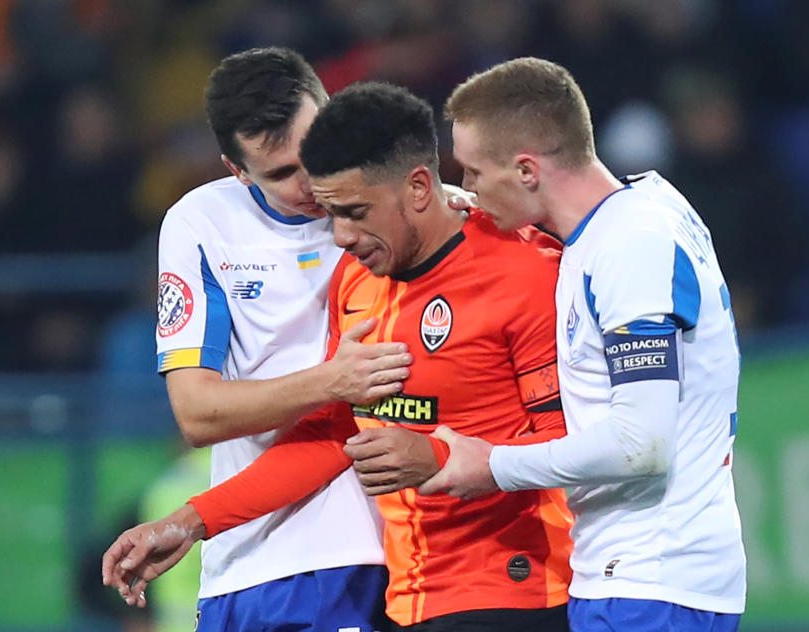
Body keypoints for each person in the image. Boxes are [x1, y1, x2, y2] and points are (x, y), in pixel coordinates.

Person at [103, 81, 575, 632]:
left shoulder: (528, 271)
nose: (342, 237)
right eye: (332, 215)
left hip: (518, 593)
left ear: (420, 187)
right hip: (408, 601)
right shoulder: (357, 281)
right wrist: (191, 520)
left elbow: (579, 442)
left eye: (354, 212)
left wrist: (446, 462)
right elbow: (333, 437)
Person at [418, 57, 747, 631]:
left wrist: (493, 465)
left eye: (472, 172)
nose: (467, 190)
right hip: (642, 577)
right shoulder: (640, 210)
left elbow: (640, 445)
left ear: (526, 170)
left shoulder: (628, 245)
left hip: (650, 583)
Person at [106, 47, 417, 632]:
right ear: (236, 169)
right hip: (245, 560)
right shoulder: (202, 224)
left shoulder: (403, 204)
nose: (309, 184)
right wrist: (333, 380)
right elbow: (197, 413)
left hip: (374, 551)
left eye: (313, 155)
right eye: (280, 174)